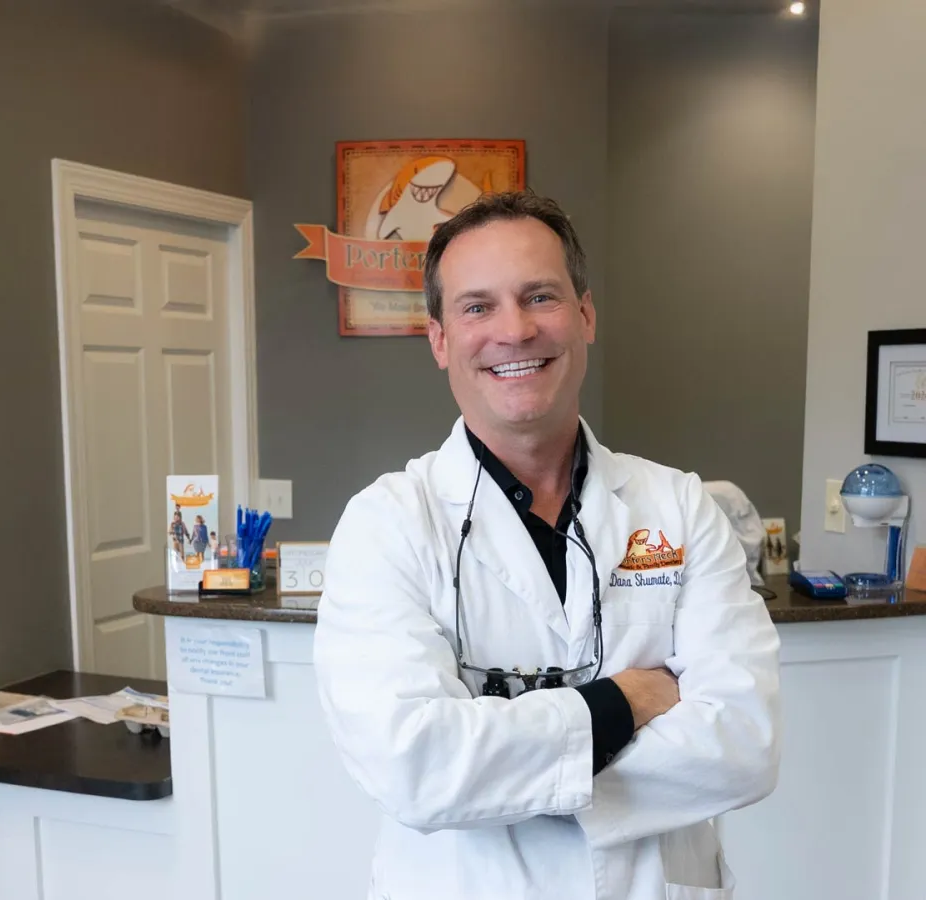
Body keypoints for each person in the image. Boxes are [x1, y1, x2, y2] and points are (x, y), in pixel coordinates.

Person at [314, 191, 780, 900]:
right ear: (440, 340)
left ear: (585, 316)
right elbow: (415, 768)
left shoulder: (681, 508)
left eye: (540, 296)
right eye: (477, 307)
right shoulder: (387, 525)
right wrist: (624, 702)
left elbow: (744, 747)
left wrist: (500, 767)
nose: (515, 329)